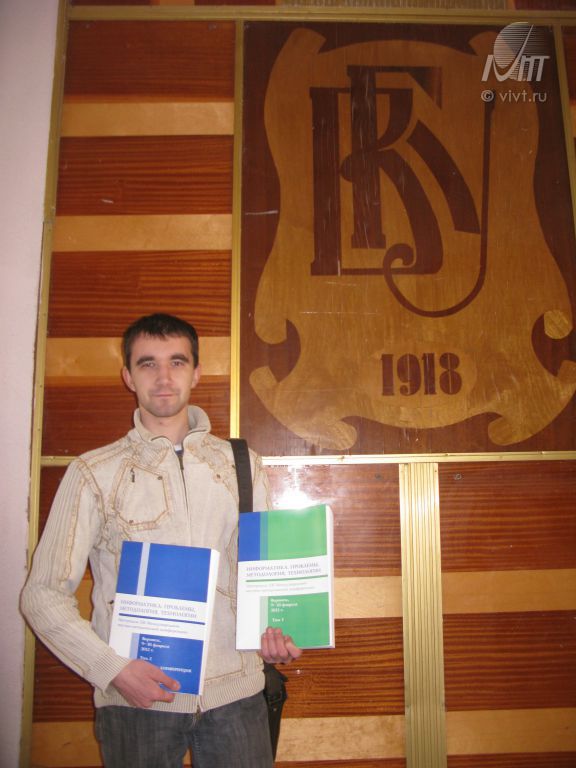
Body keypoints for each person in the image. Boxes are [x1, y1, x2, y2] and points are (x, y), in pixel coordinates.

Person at [21, 312, 301, 768]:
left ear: (197, 372)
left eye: (177, 361)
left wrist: (281, 630)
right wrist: (113, 671)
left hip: (236, 697)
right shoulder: (94, 472)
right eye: (148, 363)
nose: (164, 377)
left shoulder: (242, 464)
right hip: (138, 702)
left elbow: (261, 577)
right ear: (128, 376)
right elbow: (42, 594)